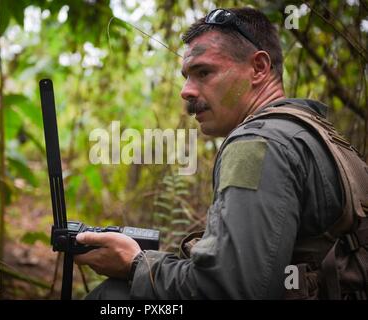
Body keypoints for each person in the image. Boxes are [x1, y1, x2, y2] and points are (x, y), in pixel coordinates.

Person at [73, 7, 355, 299]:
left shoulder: (257, 144)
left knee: (114, 297)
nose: (186, 91)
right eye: (186, 77)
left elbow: (230, 289)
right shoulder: (319, 134)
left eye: (204, 72)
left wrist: (136, 265)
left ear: (258, 68)